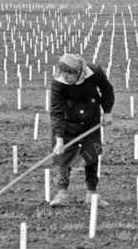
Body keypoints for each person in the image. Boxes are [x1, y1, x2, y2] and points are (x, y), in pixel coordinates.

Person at [48, 53, 115, 207]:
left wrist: (108, 112)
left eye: (69, 76)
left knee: (92, 152)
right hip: (67, 119)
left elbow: (107, 90)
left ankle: (92, 194)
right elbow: (56, 110)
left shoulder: (94, 72)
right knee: (63, 155)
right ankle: (62, 193)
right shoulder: (58, 82)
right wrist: (59, 139)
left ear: (79, 73)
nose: (66, 79)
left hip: (90, 117)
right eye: (63, 75)